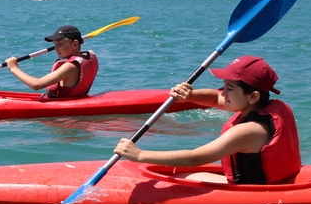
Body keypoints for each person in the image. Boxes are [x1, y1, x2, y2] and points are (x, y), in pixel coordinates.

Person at [114, 56, 301, 184]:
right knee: (188, 175)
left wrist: (139, 155)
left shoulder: (248, 131)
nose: (224, 93)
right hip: (278, 180)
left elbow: (196, 157)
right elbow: (213, 98)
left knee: (187, 177)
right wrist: (190, 96)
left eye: (230, 88)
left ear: (252, 97)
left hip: (256, 191)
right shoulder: (271, 106)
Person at [5, 25, 99, 98]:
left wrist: (14, 68)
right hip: (73, 99)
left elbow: (36, 85)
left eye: (60, 44)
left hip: (62, 109)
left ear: (75, 44)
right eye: (55, 45)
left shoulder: (70, 66)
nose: (55, 49)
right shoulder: (88, 57)